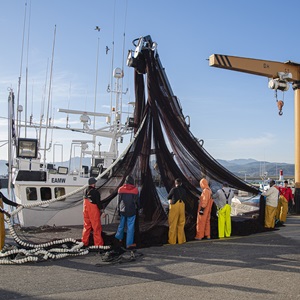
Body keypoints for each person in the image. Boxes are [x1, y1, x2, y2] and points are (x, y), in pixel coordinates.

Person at [115, 175, 139, 249]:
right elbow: (137, 202)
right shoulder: (135, 190)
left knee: (121, 225)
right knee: (130, 228)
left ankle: (119, 239)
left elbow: (118, 201)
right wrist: (138, 208)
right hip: (132, 211)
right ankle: (128, 244)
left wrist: (118, 210)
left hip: (123, 210)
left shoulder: (120, 189)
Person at [81, 177, 104, 247]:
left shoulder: (85, 190)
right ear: (93, 184)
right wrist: (102, 210)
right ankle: (98, 244)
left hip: (85, 210)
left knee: (86, 226)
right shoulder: (95, 192)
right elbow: (98, 203)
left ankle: (84, 242)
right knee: (96, 227)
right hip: (93, 211)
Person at [0, 180, 21, 250]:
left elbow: (6, 201)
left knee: (2, 233)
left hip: (1, 216)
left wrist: (16, 204)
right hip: (1, 214)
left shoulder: (0, 194)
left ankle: (1, 247)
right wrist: (5, 212)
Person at [167, 178, 186, 244]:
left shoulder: (173, 189)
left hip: (175, 206)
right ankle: (181, 240)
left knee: (173, 223)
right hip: (182, 206)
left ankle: (172, 241)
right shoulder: (184, 190)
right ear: (181, 183)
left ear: (175, 183)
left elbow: (168, 197)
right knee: (181, 223)